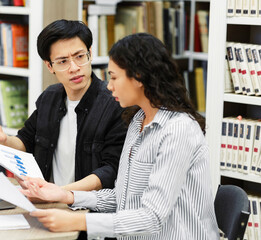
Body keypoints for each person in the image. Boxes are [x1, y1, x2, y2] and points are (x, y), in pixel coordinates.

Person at [19, 33, 219, 239]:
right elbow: (122, 198)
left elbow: (152, 218)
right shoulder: (137, 122)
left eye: (114, 77)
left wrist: (79, 221)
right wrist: (66, 195)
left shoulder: (178, 130)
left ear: (139, 77)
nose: (109, 85)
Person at [0, 19, 127, 191]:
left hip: (85, 207)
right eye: (63, 61)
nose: (74, 68)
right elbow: (25, 141)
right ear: (50, 66)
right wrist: (4, 139)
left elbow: (110, 170)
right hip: (47, 201)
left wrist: (61, 193)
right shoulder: (49, 97)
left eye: (79, 57)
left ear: (90, 54)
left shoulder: (114, 104)